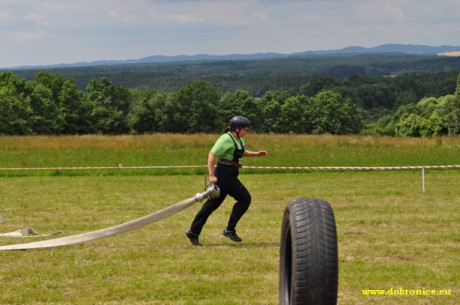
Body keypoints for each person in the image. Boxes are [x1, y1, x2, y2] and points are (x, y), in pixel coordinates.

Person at [186, 116, 267, 246]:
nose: (246, 131)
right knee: (245, 198)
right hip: (224, 174)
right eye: (245, 129)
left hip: (231, 173)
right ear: (236, 129)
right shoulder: (225, 139)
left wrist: (256, 154)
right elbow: (212, 155)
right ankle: (229, 229)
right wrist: (212, 175)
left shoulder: (239, 139)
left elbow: (240, 152)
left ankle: (193, 232)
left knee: (211, 205)